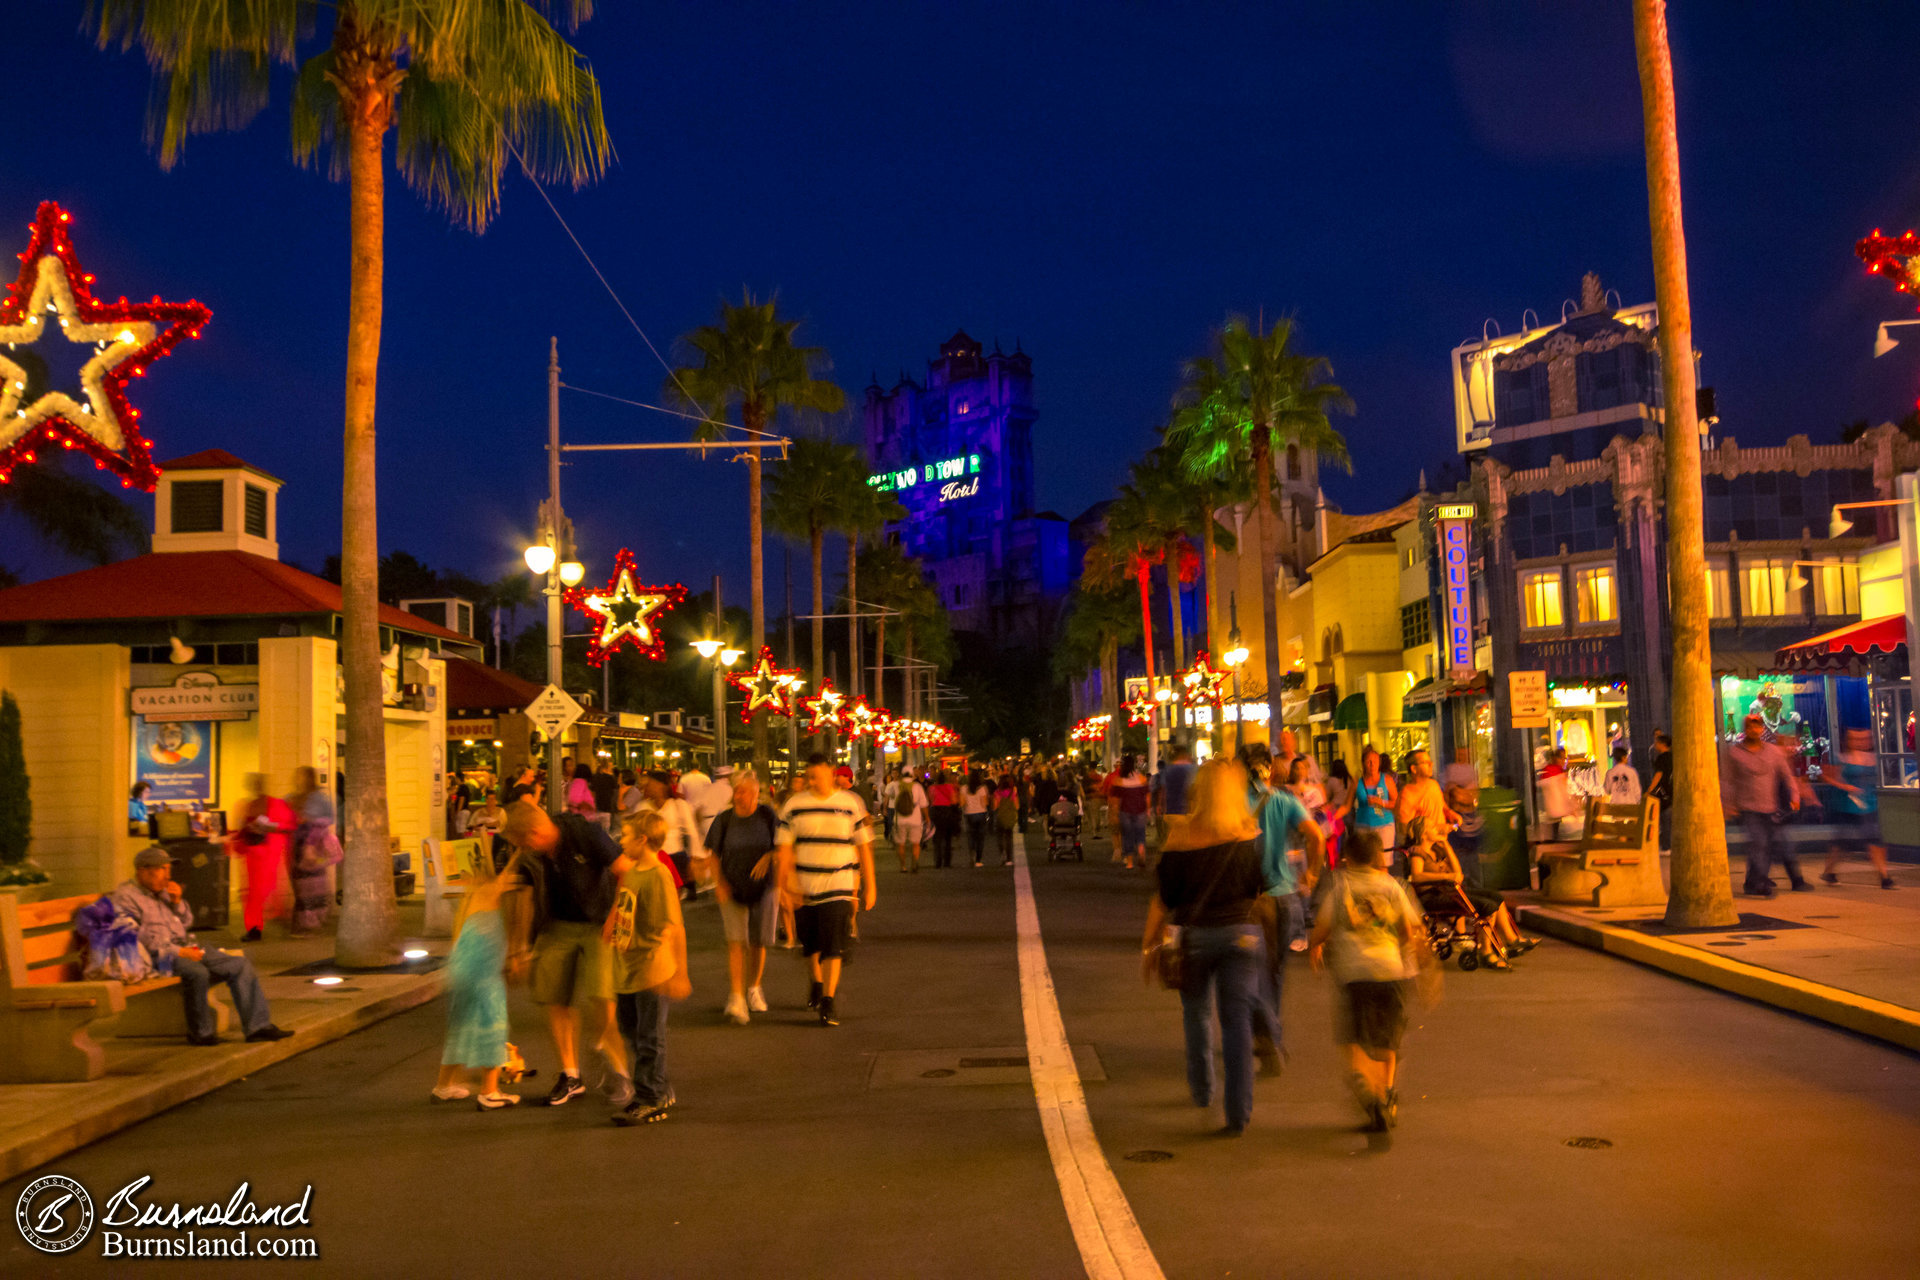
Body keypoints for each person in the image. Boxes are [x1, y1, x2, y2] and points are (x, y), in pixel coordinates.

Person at [1140, 761, 1268, 1137]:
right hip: (1242, 935)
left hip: (1195, 936)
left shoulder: (1181, 837)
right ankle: (1238, 1113)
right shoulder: (1248, 834)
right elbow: (1258, 889)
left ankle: (1201, 1090)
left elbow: (1163, 900)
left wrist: (1148, 946)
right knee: (1237, 1024)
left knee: (1196, 1015)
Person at [502, 800, 631, 1107]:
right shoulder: (530, 854)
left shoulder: (585, 833)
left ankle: (617, 1068)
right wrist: (519, 947)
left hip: (599, 922)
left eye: (522, 843)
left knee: (603, 997)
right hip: (556, 925)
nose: (521, 849)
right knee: (555, 998)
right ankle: (571, 1074)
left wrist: (616, 917)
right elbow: (523, 894)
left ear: (534, 833)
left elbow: (626, 870)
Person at [111, 847, 292, 1046]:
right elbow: (139, 939)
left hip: (185, 947)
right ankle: (201, 1033)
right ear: (143, 870)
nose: (168, 875)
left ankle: (258, 1027)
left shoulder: (161, 891)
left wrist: (177, 902)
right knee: (197, 972)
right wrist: (180, 952)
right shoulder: (126, 897)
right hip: (153, 957)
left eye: (168, 868)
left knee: (239, 964)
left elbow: (186, 923)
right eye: (163, 869)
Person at [1309, 829, 1426, 1132]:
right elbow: (1408, 931)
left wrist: (1316, 945)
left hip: (1354, 974)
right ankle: (1385, 1093)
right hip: (1391, 972)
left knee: (1354, 1039)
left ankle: (1366, 1084)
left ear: (1346, 858)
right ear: (1378, 856)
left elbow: (1320, 930)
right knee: (1387, 1040)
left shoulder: (1340, 887)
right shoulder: (1391, 886)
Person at [776, 753, 878, 1027]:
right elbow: (784, 848)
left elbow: (863, 846)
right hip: (805, 886)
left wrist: (870, 885)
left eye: (816, 776)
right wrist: (785, 884)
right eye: (808, 776)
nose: (811, 781)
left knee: (833, 944)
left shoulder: (849, 804)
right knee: (811, 945)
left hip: (839, 884)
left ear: (831, 774)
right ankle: (816, 983)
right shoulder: (794, 805)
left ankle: (829, 1000)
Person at [1243, 745, 1325, 1075]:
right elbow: (1316, 837)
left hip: (1248, 902)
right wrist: (1312, 873)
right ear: (1271, 772)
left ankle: (1263, 1032)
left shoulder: (1234, 804)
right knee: (1274, 973)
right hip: (1284, 896)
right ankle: (1271, 1035)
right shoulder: (1285, 801)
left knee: (1246, 973)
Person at [607, 810, 691, 1126]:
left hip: (652, 969)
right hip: (628, 966)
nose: (621, 840)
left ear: (642, 839)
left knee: (649, 1037)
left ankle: (651, 1099)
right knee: (631, 1029)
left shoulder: (658, 874)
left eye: (626, 835)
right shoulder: (633, 871)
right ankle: (657, 1086)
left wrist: (679, 972)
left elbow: (674, 925)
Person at [434, 862, 523, 1108]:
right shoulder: (491, 890)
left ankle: (443, 1086)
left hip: (461, 969)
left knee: (460, 1027)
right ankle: (490, 1091)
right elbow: (513, 869)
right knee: (493, 1025)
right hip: (483, 975)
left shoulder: (471, 894)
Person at [706, 770, 781, 1024]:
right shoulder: (725, 820)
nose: (739, 796)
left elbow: (781, 845)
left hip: (764, 888)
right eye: (736, 791)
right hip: (732, 886)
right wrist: (719, 883)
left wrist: (768, 857)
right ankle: (736, 995)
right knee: (736, 942)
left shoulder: (767, 816)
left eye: (744, 791)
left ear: (756, 793)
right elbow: (713, 855)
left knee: (758, 941)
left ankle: (753, 988)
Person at [1406, 828, 1536, 969]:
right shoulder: (1417, 852)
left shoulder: (1437, 851)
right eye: (1432, 826)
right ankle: (1485, 951)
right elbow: (1416, 876)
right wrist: (1446, 876)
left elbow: (1458, 874)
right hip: (1432, 896)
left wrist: (1448, 848)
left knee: (1495, 896)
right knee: (1487, 906)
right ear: (1424, 833)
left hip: (1448, 890)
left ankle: (1511, 939)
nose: (1438, 828)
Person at [1721, 714, 1805, 898]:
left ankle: (1752, 882)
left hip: (1769, 807)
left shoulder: (1773, 752)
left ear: (1762, 729)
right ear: (1745, 729)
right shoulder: (1734, 753)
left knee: (1765, 845)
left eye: (1757, 727)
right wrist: (1728, 805)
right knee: (1759, 843)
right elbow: (1727, 781)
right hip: (1747, 807)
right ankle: (1759, 883)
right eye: (1750, 727)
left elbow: (1787, 776)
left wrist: (1795, 796)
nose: (1754, 730)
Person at [1825, 727, 1896, 891]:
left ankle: (1885, 877)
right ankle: (1829, 871)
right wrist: (1844, 786)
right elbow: (1828, 777)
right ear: (1849, 741)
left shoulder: (1873, 758)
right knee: (1841, 844)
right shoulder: (1842, 758)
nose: (1862, 742)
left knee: (1875, 840)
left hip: (1868, 805)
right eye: (1857, 739)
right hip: (1847, 806)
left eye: (1865, 739)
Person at [227, 773, 294, 942]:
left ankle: (277, 918)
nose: (256, 787)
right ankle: (254, 928)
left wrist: (271, 827)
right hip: (252, 854)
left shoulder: (276, 804)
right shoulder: (247, 805)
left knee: (269, 891)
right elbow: (241, 828)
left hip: (269, 855)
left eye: (258, 783)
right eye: (253, 784)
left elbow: (289, 825)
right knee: (253, 895)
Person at [287, 766, 342, 936]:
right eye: (298, 777)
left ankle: (309, 921)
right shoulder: (293, 797)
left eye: (302, 777)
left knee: (312, 883)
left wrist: (310, 820)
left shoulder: (319, 798)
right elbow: (281, 814)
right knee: (300, 883)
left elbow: (330, 818)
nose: (299, 780)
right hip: (296, 843)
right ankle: (306, 920)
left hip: (313, 844)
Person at [639, 770, 706, 903]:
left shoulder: (678, 805)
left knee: (672, 902)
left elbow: (692, 832)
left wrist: (694, 859)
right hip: (652, 859)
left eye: (651, 784)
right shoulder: (643, 807)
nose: (647, 787)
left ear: (662, 786)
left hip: (674, 858)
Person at [1394, 749, 1456, 874]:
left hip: (1441, 845)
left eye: (1430, 761)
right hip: (1424, 854)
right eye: (1425, 762)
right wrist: (1436, 829)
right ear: (1414, 769)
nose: (1430, 765)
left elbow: (1441, 804)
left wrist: (1450, 813)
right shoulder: (1408, 794)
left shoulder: (1433, 785)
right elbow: (1404, 829)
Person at [1439, 748, 1483, 882]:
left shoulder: (1471, 769)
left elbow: (1473, 794)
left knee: (1473, 852)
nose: (1462, 756)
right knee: (1459, 851)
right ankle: (1462, 880)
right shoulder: (1450, 769)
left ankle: (1474, 882)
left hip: (1471, 817)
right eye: (1460, 753)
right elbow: (1449, 791)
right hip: (1457, 816)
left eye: (1464, 753)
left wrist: (1459, 792)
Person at [1350, 747, 1398, 866]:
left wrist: (1380, 802)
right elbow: (1347, 805)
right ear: (1363, 764)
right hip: (1363, 826)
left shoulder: (1386, 779)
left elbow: (1397, 803)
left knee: (1382, 863)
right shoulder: (1357, 782)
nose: (1372, 765)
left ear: (1379, 763)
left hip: (1384, 825)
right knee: (1364, 863)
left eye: (1375, 761)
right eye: (1369, 762)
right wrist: (1332, 815)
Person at [1110, 753, 1152, 870]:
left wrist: (1114, 814)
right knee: (1140, 832)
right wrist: (1148, 809)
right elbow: (1147, 796)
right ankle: (1141, 848)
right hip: (1140, 810)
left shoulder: (1118, 781)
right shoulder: (1141, 778)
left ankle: (1129, 862)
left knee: (1127, 835)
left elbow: (1115, 800)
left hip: (1125, 810)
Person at [891, 770, 929, 873]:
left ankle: (903, 866)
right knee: (916, 843)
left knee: (901, 844)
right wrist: (927, 818)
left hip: (900, 819)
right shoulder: (917, 786)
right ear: (912, 775)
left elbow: (892, 799)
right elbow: (924, 804)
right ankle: (914, 862)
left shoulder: (896, 785)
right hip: (915, 819)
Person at [928, 770, 961, 869]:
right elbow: (954, 800)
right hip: (947, 812)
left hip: (936, 812)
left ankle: (938, 861)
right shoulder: (949, 787)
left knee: (937, 838)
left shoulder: (931, 788)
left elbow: (930, 800)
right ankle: (947, 861)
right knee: (948, 838)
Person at [1647, 729, 1674, 849]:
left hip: (1663, 793)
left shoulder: (1661, 758)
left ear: (1663, 744)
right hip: (1672, 791)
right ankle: (1668, 845)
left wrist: (1649, 790)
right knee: (1669, 821)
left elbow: (1658, 775)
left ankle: (1666, 846)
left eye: (1657, 742)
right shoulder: (1673, 757)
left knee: (1664, 820)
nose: (1655, 745)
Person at [962, 770, 993, 868]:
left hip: (969, 813)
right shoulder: (982, 788)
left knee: (971, 836)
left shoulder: (964, 788)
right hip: (980, 813)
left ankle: (972, 854)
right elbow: (985, 803)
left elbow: (962, 802)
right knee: (980, 837)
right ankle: (978, 860)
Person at [992, 773, 1021, 865]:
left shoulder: (997, 792)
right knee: (1009, 837)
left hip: (1000, 817)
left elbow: (994, 807)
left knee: (1000, 837)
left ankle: (1002, 854)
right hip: (1010, 818)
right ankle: (1009, 859)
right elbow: (1017, 806)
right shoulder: (1013, 792)